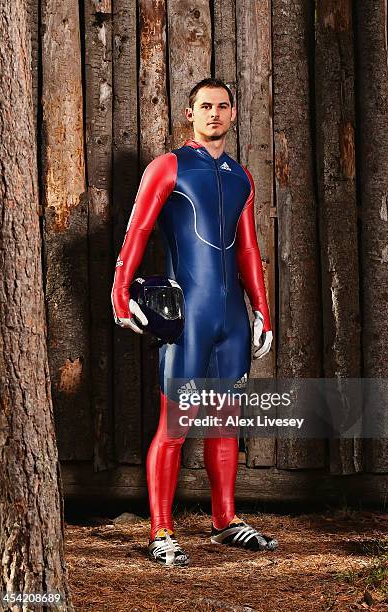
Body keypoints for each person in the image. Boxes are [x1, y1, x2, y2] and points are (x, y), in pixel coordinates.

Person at [111, 78, 278, 566]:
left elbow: (247, 248)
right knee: (175, 426)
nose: (214, 114)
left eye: (223, 106)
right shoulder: (168, 167)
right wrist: (120, 292)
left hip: (231, 320)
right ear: (190, 114)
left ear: (233, 113)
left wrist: (262, 308)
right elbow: (138, 229)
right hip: (189, 318)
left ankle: (225, 520)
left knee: (226, 425)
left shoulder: (241, 177)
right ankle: (160, 530)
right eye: (205, 106)